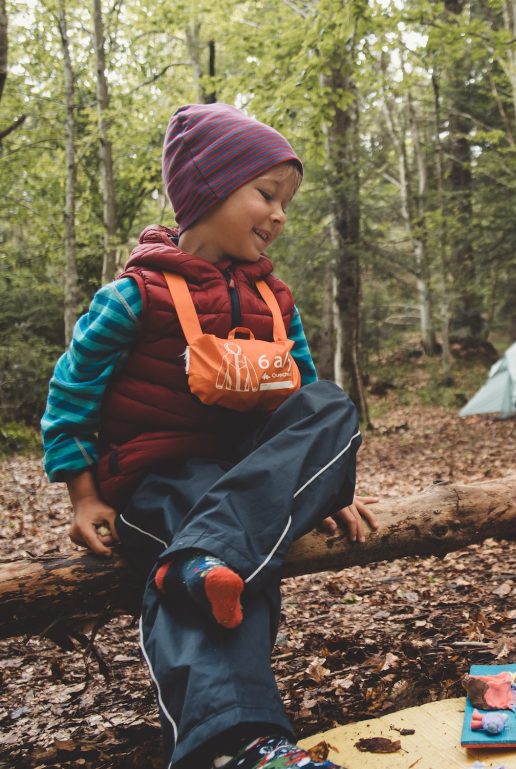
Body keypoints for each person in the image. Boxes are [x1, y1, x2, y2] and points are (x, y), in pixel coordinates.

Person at [41, 103, 377, 769]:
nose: (280, 215)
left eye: (286, 202)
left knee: (331, 403)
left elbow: (302, 400)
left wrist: (320, 488)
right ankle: (235, 744)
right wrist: (83, 495)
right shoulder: (137, 294)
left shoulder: (277, 301)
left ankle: (207, 557)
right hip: (159, 479)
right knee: (215, 553)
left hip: (243, 484)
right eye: (266, 194)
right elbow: (69, 391)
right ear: (207, 190)